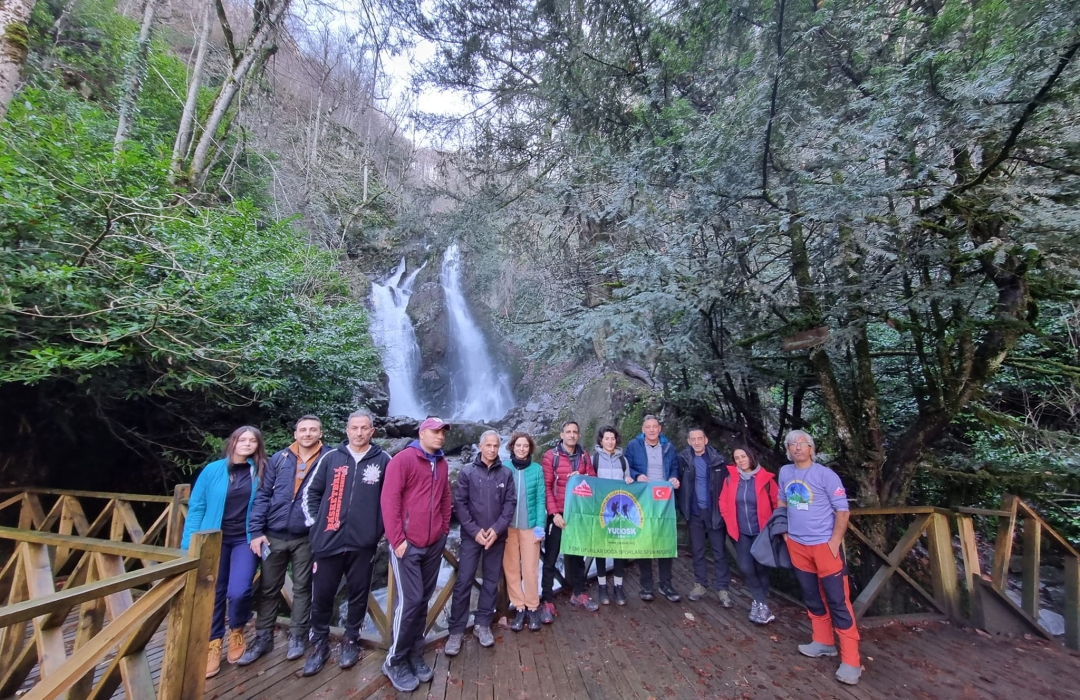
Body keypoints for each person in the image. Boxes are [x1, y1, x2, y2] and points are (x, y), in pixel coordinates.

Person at [298, 410, 391, 676]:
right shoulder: (330, 458)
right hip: (328, 540)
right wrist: (316, 524)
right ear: (347, 430)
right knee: (322, 594)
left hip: (363, 543)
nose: (359, 432)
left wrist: (378, 531)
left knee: (359, 594)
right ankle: (319, 644)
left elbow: (390, 499)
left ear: (372, 431)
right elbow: (311, 492)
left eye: (364, 428)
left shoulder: (384, 460)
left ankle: (351, 640)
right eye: (354, 428)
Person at [239, 415, 331, 667]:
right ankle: (263, 638)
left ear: (320, 433)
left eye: (313, 430)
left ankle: (297, 636)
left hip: (307, 536)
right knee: (269, 588)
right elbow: (262, 496)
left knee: (302, 587)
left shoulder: (329, 458)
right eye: (303, 430)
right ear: (295, 434)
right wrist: (255, 531)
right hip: (273, 535)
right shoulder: (279, 459)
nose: (307, 434)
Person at [777, 430, 862, 685]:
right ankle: (823, 641)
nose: (797, 447)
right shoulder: (785, 472)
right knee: (811, 595)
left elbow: (842, 511)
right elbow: (782, 502)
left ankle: (851, 661)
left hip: (824, 546)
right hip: (797, 545)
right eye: (792, 444)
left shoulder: (825, 475)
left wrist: (834, 542)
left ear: (811, 448)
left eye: (802, 444)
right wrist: (785, 533)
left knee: (838, 599)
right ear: (788, 450)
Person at [182, 426, 266, 679]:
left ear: (258, 445)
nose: (247, 444)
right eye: (242, 439)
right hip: (214, 538)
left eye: (252, 441)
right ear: (233, 442)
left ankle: (237, 629)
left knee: (239, 590)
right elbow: (197, 507)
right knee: (214, 591)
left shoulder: (262, 471)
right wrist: (189, 544)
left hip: (245, 539)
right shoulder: (212, 470)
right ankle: (213, 641)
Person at [381, 417, 453, 693]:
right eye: (435, 431)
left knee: (423, 600)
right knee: (410, 602)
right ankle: (394, 660)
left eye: (443, 432)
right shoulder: (403, 460)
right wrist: (397, 540)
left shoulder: (442, 463)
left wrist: (444, 531)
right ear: (422, 433)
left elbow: (445, 497)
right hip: (408, 545)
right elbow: (389, 500)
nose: (440, 436)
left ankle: (414, 653)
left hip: (433, 543)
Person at [444, 431, 517, 656]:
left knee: (491, 581)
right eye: (488, 445)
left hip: (496, 537)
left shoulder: (506, 473)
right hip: (471, 537)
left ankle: (483, 624)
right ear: (480, 446)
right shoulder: (467, 472)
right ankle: (456, 630)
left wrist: (496, 530)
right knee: (464, 580)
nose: (492, 449)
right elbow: (460, 504)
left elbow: (510, 504)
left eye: (496, 445)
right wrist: (475, 531)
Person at [540, 420, 598, 619]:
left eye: (575, 432)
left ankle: (578, 593)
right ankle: (547, 601)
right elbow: (546, 487)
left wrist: (580, 476)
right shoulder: (551, 456)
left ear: (578, 435)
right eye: (568, 432)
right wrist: (554, 514)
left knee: (577, 555)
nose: (572, 435)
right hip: (558, 514)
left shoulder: (584, 456)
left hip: (577, 513)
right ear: (562, 434)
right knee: (550, 558)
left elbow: (592, 479)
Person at [624, 415, 681, 602]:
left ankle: (666, 583)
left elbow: (674, 467)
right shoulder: (634, 445)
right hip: (643, 497)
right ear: (643, 429)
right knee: (644, 540)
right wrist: (636, 475)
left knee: (665, 540)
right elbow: (626, 466)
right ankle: (646, 585)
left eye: (654, 426)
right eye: (647, 427)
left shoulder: (668, 446)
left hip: (664, 499)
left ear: (659, 428)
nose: (651, 430)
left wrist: (674, 477)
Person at [719, 445, 778, 624]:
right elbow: (723, 501)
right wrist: (729, 520)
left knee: (761, 568)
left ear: (751, 457)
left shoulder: (766, 480)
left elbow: (778, 503)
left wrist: (775, 527)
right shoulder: (730, 479)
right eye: (737, 458)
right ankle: (761, 604)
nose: (740, 460)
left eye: (743, 456)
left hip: (762, 533)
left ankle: (761, 606)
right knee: (745, 567)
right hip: (741, 531)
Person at [677, 428, 733, 607]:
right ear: (689, 441)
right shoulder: (684, 460)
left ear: (706, 440)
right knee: (697, 550)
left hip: (714, 512)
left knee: (719, 551)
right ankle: (700, 584)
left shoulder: (718, 460)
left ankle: (722, 588)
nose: (697, 442)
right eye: (693, 439)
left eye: (699, 438)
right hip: (694, 512)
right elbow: (677, 483)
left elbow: (728, 486)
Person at [502, 432, 547, 631]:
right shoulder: (505, 468)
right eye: (518, 445)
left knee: (530, 569)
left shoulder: (536, 469)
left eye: (525, 446)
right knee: (511, 568)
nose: (522, 449)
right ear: (512, 447)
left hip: (530, 527)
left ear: (530, 449)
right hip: (508, 527)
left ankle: (533, 606)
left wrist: (540, 525)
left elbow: (541, 499)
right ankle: (519, 607)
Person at [592, 426, 633, 606]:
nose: (610, 442)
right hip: (601, 511)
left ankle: (618, 586)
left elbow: (628, 480)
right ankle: (602, 587)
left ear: (616, 440)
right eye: (606, 438)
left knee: (619, 548)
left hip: (618, 511)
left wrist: (629, 481)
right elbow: (590, 482)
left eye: (612, 438)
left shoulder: (623, 460)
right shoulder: (594, 459)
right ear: (601, 440)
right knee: (600, 549)